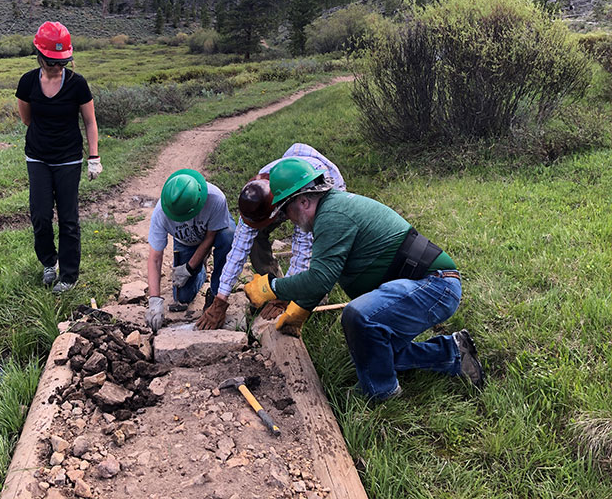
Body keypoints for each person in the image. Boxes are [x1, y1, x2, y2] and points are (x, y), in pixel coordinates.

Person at [244, 157, 485, 401]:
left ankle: (381, 392)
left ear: (303, 201)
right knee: (370, 352)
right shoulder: (331, 211)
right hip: (428, 286)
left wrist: (271, 287)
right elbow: (327, 273)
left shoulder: (333, 216)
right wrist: (302, 309)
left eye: (286, 210)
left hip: (436, 286)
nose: (289, 218)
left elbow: (319, 279)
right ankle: (453, 353)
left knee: (359, 316)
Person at [197, 143, 345, 330]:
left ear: (279, 212)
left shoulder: (302, 202)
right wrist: (220, 300)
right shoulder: (255, 199)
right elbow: (237, 251)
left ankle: (311, 295)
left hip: (318, 186)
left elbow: (302, 252)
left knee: (319, 247)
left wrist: (286, 297)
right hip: (285, 187)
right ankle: (274, 285)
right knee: (255, 239)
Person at [16, 21, 102, 294]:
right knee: (40, 216)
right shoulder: (27, 82)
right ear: (40, 55)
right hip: (38, 158)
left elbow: (90, 122)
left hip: (68, 159)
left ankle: (68, 275)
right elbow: (27, 119)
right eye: (51, 62)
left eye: (61, 62)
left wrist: (93, 156)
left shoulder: (78, 84)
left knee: (68, 218)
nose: (56, 67)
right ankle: (48, 262)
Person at [144, 169, 236, 332]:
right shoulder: (161, 213)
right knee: (183, 297)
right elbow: (155, 258)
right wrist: (154, 301)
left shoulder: (215, 199)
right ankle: (201, 270)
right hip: (186, 242)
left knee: (229, 236)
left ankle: (216, 294)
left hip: (213, 233)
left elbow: (210, 238)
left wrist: (189, 267)